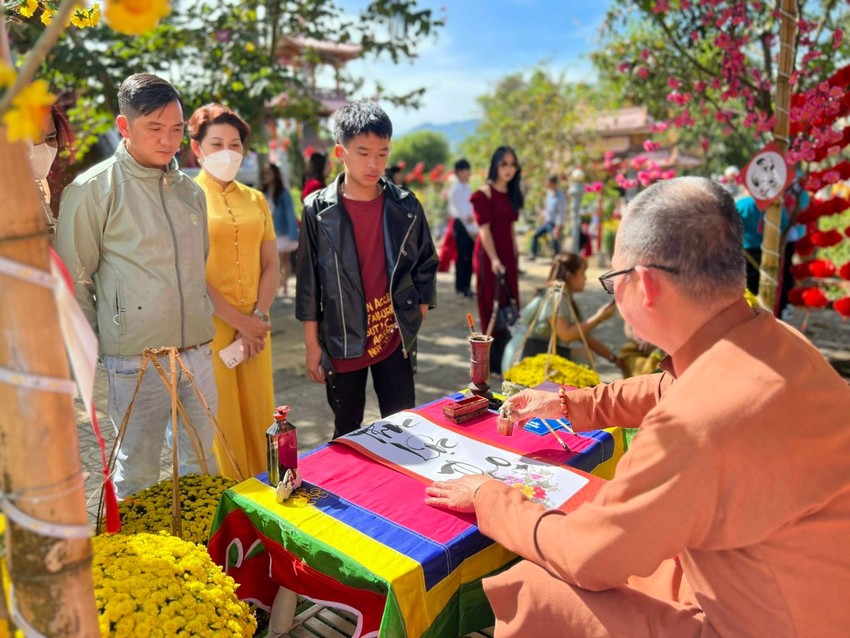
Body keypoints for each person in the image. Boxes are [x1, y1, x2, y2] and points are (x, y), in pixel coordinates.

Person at [425, 176, 850, 637]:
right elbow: (666, 387)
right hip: (792, 587)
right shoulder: (773, 340)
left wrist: (491, 497)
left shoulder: (694, 423)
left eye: (612, 281)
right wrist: (565, 403)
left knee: (536, 588)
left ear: (644, 285)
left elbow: (587, 558)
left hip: (763, 621)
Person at [56, 74, 218, 498]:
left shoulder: (191, 192)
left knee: (203, 463)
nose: (169, 140)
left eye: (177, 129)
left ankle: (205, 552)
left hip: (197, 351)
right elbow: (74, 280)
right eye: (155, 128)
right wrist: (98, 349)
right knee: (139, 471)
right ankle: (140, 558)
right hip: (135, 358)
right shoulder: (92, 191)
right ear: (124, 126)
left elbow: (198, 264)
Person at [295, 101, 438, 438]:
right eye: (363, 153)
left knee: (404, 424)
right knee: (347, 428)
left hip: (394, 334)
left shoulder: (405, 205)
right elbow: (309, 283)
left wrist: (418, 310)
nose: (374, 164)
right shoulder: (317, 210)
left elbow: (426, 261)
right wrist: (311, 344)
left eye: (383, 154)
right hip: (342, 335)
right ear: (340, 152)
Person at [188, 103, 279, 479]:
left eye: (236, 144)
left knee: (260, 412)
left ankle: (268, 496)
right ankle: (232, 510)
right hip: (211, 328)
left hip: (256, 329)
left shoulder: (256, 199)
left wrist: (256, 317)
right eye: (216, 143)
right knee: (221, 420)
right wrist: (238, 319)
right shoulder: (186, 198)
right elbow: (191, 272)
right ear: (196, 149)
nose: (227, 152)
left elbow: (272, 263)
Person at [502, 253, 620, 372]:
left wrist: (613, 358)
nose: (585, 278)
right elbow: (566, 335)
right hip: (521, 356)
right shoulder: (556, 296)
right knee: (583, 357)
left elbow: (582, 335)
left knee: (583, 355)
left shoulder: (564, 297)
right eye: (582, 274)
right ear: (570, 277)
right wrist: (598, 318)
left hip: (533, 350)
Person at [472, 146, 523, 376]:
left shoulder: (512, 193)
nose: (508, 169)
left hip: (508, 257)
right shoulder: (484, 194)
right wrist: (494, 259)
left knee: (510, 304)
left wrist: (515, 253)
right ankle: (491, 362)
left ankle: (509, 357)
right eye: (504, 164)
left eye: (512, 164)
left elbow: (510, 228)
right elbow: (484, 231)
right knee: (492, 305)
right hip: (488, 256)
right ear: (495, 165)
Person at [261, 162, 299, 298]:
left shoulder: (283, 194)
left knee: (283, 259)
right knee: (277, 260)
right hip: (268, 232)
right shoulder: (262, 193)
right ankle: (280, 284)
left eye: (268, 173)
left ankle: (282, 284)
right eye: (264, 173)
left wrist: (293, 234)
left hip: (282, 232)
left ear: (275, 175)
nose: (265, 176)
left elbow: (290, 213)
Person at [448, 158, 476, 297]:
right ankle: (460, 287)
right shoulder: (456, 188)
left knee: (470, 257)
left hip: (470, 224)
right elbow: (459, 209)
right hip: (461, 224)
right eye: (466, 170)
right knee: (462, 257)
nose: (468, 173)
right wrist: (469, 224)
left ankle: (467, 286)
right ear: (459, 172)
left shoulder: (467, 187)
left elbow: (470, 208)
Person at [528, 174, 566, 260]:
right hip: (547, 222)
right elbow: (548, 207)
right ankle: (533, 254)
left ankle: (557, 258)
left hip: (554, 223)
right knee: (535, 235)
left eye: (548, 183)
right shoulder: (549, 193)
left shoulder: (560, 197)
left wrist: (557, 227)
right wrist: (543, 215)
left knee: (554, 240)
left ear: (553, 183)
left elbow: (561, 213)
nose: (546, 185)